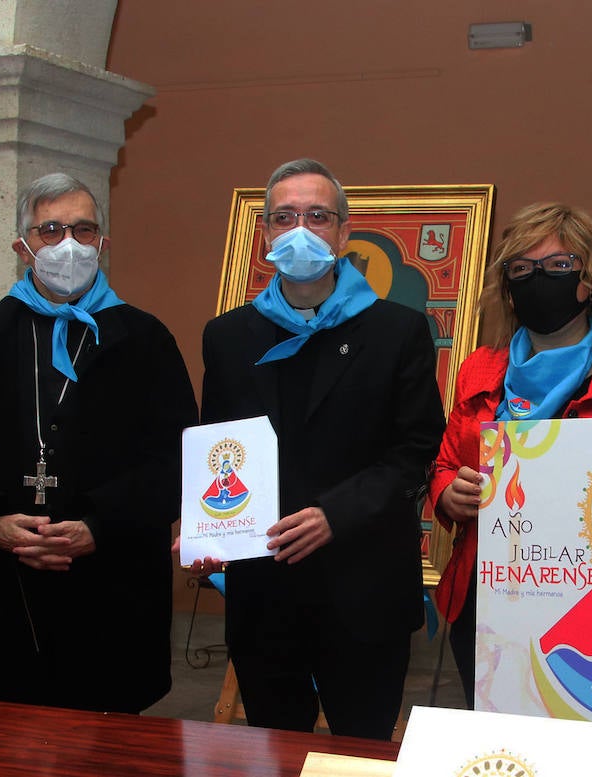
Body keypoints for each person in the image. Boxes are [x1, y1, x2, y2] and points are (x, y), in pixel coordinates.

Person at [187, 158, 445, 740]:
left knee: (362, 751)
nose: (299, 230)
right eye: (284, 217)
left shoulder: (398, 331)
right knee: (272, 750)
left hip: (365, 585)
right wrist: (207, 528)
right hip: (265, 591)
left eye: (317, 216)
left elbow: (415, 449)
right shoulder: (227, 336)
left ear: (343, 232)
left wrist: (336, 514)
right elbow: (219, 448)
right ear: (265, 235)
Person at [0, 173, 197, 713]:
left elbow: (176, 458)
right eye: (50, 230)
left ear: (103, 243)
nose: (68, 244)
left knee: (113, 741)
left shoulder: (145, 339)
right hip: (7, 585)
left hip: (116, 581)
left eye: (83, 230)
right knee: (10, 737)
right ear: (22, 247)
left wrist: (99, 524)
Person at [428, 202, 592, 709]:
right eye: (522, 269)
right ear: (507, 285)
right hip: (489, 597)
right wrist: (448, 493)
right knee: (500, 740)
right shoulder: (479, 370)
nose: (539, 279)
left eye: (559, 265)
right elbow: (443, 466)